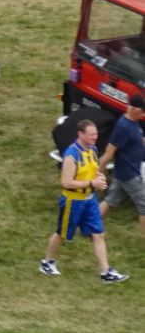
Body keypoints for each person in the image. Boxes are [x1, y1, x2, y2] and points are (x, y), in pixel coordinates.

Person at [41, 118, 129, 282]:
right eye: (91, 135)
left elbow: (93, 170)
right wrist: (92, 183)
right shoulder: (71, 155)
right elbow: (66, 182)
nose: (94, 137)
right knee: (62, 233)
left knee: (98, 234)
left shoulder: (92, 149)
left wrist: (99, 177)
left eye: (95, 134)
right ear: (80, 134)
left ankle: (105, 272)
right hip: (73, 201)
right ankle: (47, 262)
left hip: (90, 200)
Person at [100, 94, 145, 241]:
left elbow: (137, 139)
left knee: (110, 201)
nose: (143, 114)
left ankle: (87, 226)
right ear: (134, 109)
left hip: (124, 173)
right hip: (129, 174)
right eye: (142, 111)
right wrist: (98, 172)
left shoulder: (134, 122)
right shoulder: (123, 127)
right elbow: (109, 152)